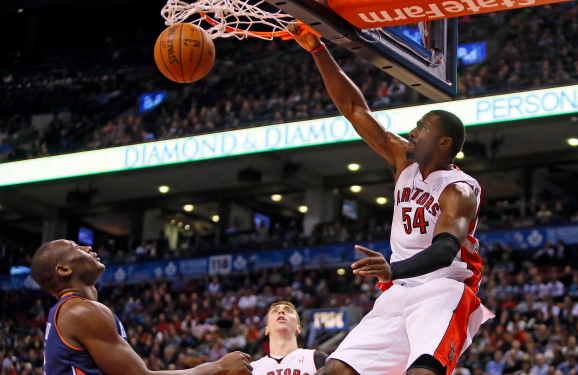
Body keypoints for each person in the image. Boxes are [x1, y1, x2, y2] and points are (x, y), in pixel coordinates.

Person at [288, 24, 493, 375]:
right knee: (334, 371)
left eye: (423, 128)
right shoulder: (403, 160)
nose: (412, 132)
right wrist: (318, 50)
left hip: (442, 288)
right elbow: (355, 110)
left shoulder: (458, 189)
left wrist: (392, 268)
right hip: (398, 290)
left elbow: (445, 249)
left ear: (444, 143)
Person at [30, 239, 253, 375]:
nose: (88, 247)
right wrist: (219, 367)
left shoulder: (69, 311)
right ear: (64, 270)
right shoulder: (80, 311)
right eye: (76, 247)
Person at [250, 301, 327, 375]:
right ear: (267, 329)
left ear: (298, 328)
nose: (281, 311)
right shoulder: (251, 369)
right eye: (274, 311)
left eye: (288, 311)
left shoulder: (317, 359)